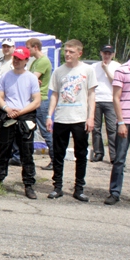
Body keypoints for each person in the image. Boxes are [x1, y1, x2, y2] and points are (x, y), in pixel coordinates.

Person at [46, 39, 97, 202]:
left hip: (80, 117)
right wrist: (49, 115)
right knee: (58, 153)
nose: (67, 54)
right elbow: (54, 94)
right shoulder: (58, 71)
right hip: (62, 117)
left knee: (81, 154)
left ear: (79, 53)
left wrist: (91, 116)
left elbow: (91, 95)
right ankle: (57, 186)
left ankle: (79, 188)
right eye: (66, 51)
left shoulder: (87, 70)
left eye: (71, 52)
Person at [0, 47, 41, 199]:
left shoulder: (31, 78)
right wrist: (7, 108)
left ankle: (28, 185)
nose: (16, 60)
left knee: (27, 153)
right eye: (15, 58)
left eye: (20, 58)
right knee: (3, 151)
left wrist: (22, 111)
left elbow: (37, 100)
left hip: (24, 117)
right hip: (8, 116)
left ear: (26, 60)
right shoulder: (6, 76)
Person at [105, 37, 130, 206]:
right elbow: (116, 97)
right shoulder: (122, 70)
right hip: (126, 120)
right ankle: (115, 192)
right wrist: (120, 122)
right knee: (120, 158)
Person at [0, 38, 21, 165]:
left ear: (13, 47)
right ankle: (5, 153)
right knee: (2, 126)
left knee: (14, 127)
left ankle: (17, 154)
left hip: (12, 100)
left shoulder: (17, 63)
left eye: (8, 46)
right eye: (4, 46)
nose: (6, 49)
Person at [27, 37, 54, 170]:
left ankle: (55, 159)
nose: (28, 50)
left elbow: (31, 78)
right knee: (29, 129)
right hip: (33, 100)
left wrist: (31, 79)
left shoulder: (43, 61)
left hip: (41, 100)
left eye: (28, 48)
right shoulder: (35, 61)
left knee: (45, 131)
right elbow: (30, 78)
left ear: (35, 47)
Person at [91, 45, 120, 163]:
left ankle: (114, 155)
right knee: (96, 128)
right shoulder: (93, 66)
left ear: (113, 55)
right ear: (101, 53)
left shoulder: (117, 66)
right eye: (105, 53)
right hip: (97, 99)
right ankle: (98, 153)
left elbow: (115, 82)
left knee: (112, 129)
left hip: (110, 100)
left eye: (109, 53)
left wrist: (106, 69)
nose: (107, 55)